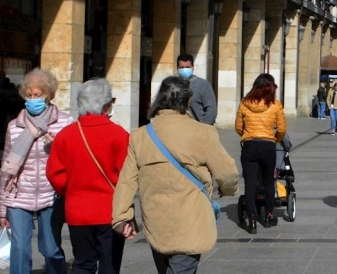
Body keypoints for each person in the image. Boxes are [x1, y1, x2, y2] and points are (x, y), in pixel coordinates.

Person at [112, 76, 239, 274]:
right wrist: (227, 189)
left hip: (156, 221)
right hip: (192, 219)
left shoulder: (140, 135)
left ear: (159, 100)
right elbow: (228, 173)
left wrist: (121, 217)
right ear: (188, 101)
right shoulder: (203, 132)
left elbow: (126, 180)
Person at [47, 78, 130, 274]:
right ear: (106, 104)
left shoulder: (66, 135)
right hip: (110, 211)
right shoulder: (119, 134)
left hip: (78, 211)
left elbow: (54, 174)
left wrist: (70, 190)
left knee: (83, 263)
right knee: (109, 264)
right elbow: (126, 176)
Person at [0, 68, 75, 274]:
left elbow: (76, 159)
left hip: (51, 195)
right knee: (20, 249)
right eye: (29, 95)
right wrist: (3, 207)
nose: (33, 99)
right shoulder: (15, 126)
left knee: (51, 250)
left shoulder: (66, 123)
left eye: (38, 95)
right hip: (18, 194)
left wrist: (58, 146)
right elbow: (7, 167)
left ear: (49, 95)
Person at [235, 73, 287, 234]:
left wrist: (247, 136)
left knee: (250, 184)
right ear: (271, 87)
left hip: (250, 146)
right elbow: (282, 129)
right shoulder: (276, 105)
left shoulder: (244, 103)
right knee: (269, 182)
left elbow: (238, 127)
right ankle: (269, 216)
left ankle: (251, 219)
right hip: (268, 146)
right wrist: (275, 139)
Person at [177, 53, 217, 125]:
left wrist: (205, 126)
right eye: (182, 67)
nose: (184, 69)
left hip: (198, 128)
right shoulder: (172, 85)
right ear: (177, 68)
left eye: (187, 67)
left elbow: (211, 108)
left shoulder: (203, 85)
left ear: (192, 67)